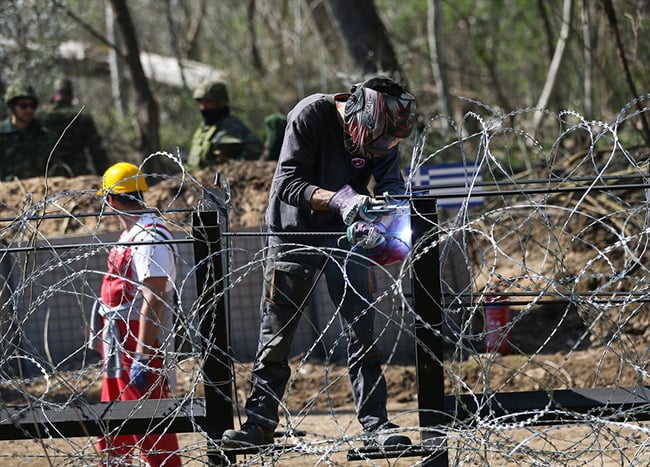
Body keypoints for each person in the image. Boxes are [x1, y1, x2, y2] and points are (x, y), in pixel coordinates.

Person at [220, 76, 417, 448]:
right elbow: (288, 183)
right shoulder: (311, 115)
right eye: (376, 144)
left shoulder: (386, 128)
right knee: (277, 336)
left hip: (348, 237)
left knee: (362, 332)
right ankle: (259, 426)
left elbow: (391, 182)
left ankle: (376, 426)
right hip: (295, 234)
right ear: (357, 117)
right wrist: (342, 200)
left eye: (388, 144)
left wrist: (388, 216)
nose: (381, 150)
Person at [90, 162, 181, 466]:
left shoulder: (149, 235)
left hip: (139, 347)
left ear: (111, 199)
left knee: (151, 429)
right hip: (119, 349)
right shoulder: (129, 234)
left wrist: (142, 357)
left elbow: (153, 299)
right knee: (114, 427)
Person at [39, 78, 110, 177]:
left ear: (54, 95)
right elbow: (96, 151)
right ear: (71, 96)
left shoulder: (41, 116)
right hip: (78, 173)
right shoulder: (83, 117)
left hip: (47, 175)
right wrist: (104, 176)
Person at [185, 80, 263, 169]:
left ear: (220, 103)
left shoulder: (232, 126)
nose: (203, 107)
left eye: (208, 102)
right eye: (201, 102)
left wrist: (234, 168)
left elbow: (255, 146)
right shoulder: (204, 127)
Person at [0, 81, 50, 181]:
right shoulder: (2, 133)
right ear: (12, 107)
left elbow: (52, 167)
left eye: (32, 106)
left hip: (38, 191)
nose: (29, 110)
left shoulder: (41, 134)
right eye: (23, 106)